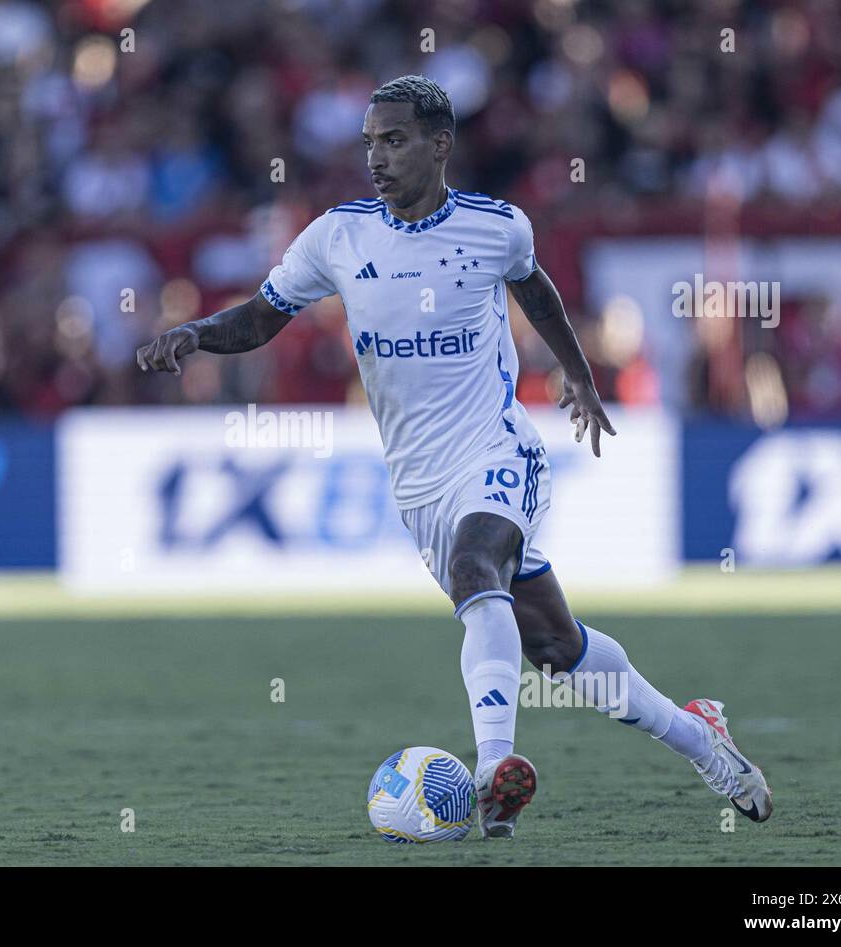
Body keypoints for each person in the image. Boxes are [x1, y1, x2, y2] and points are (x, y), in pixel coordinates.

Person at [137, 75, 771, 838]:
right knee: (555, 647)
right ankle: (702, 736)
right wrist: (197, 332)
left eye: (395, 140)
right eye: (370, 142)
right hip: (419, 482)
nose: (377, 157)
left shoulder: (495, 226)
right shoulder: (338, 237)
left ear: (440, 145)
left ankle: (493, 769)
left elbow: (535, 291)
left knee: (479, 567)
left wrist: (578, 376)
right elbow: (263, 318)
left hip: (497, 447)